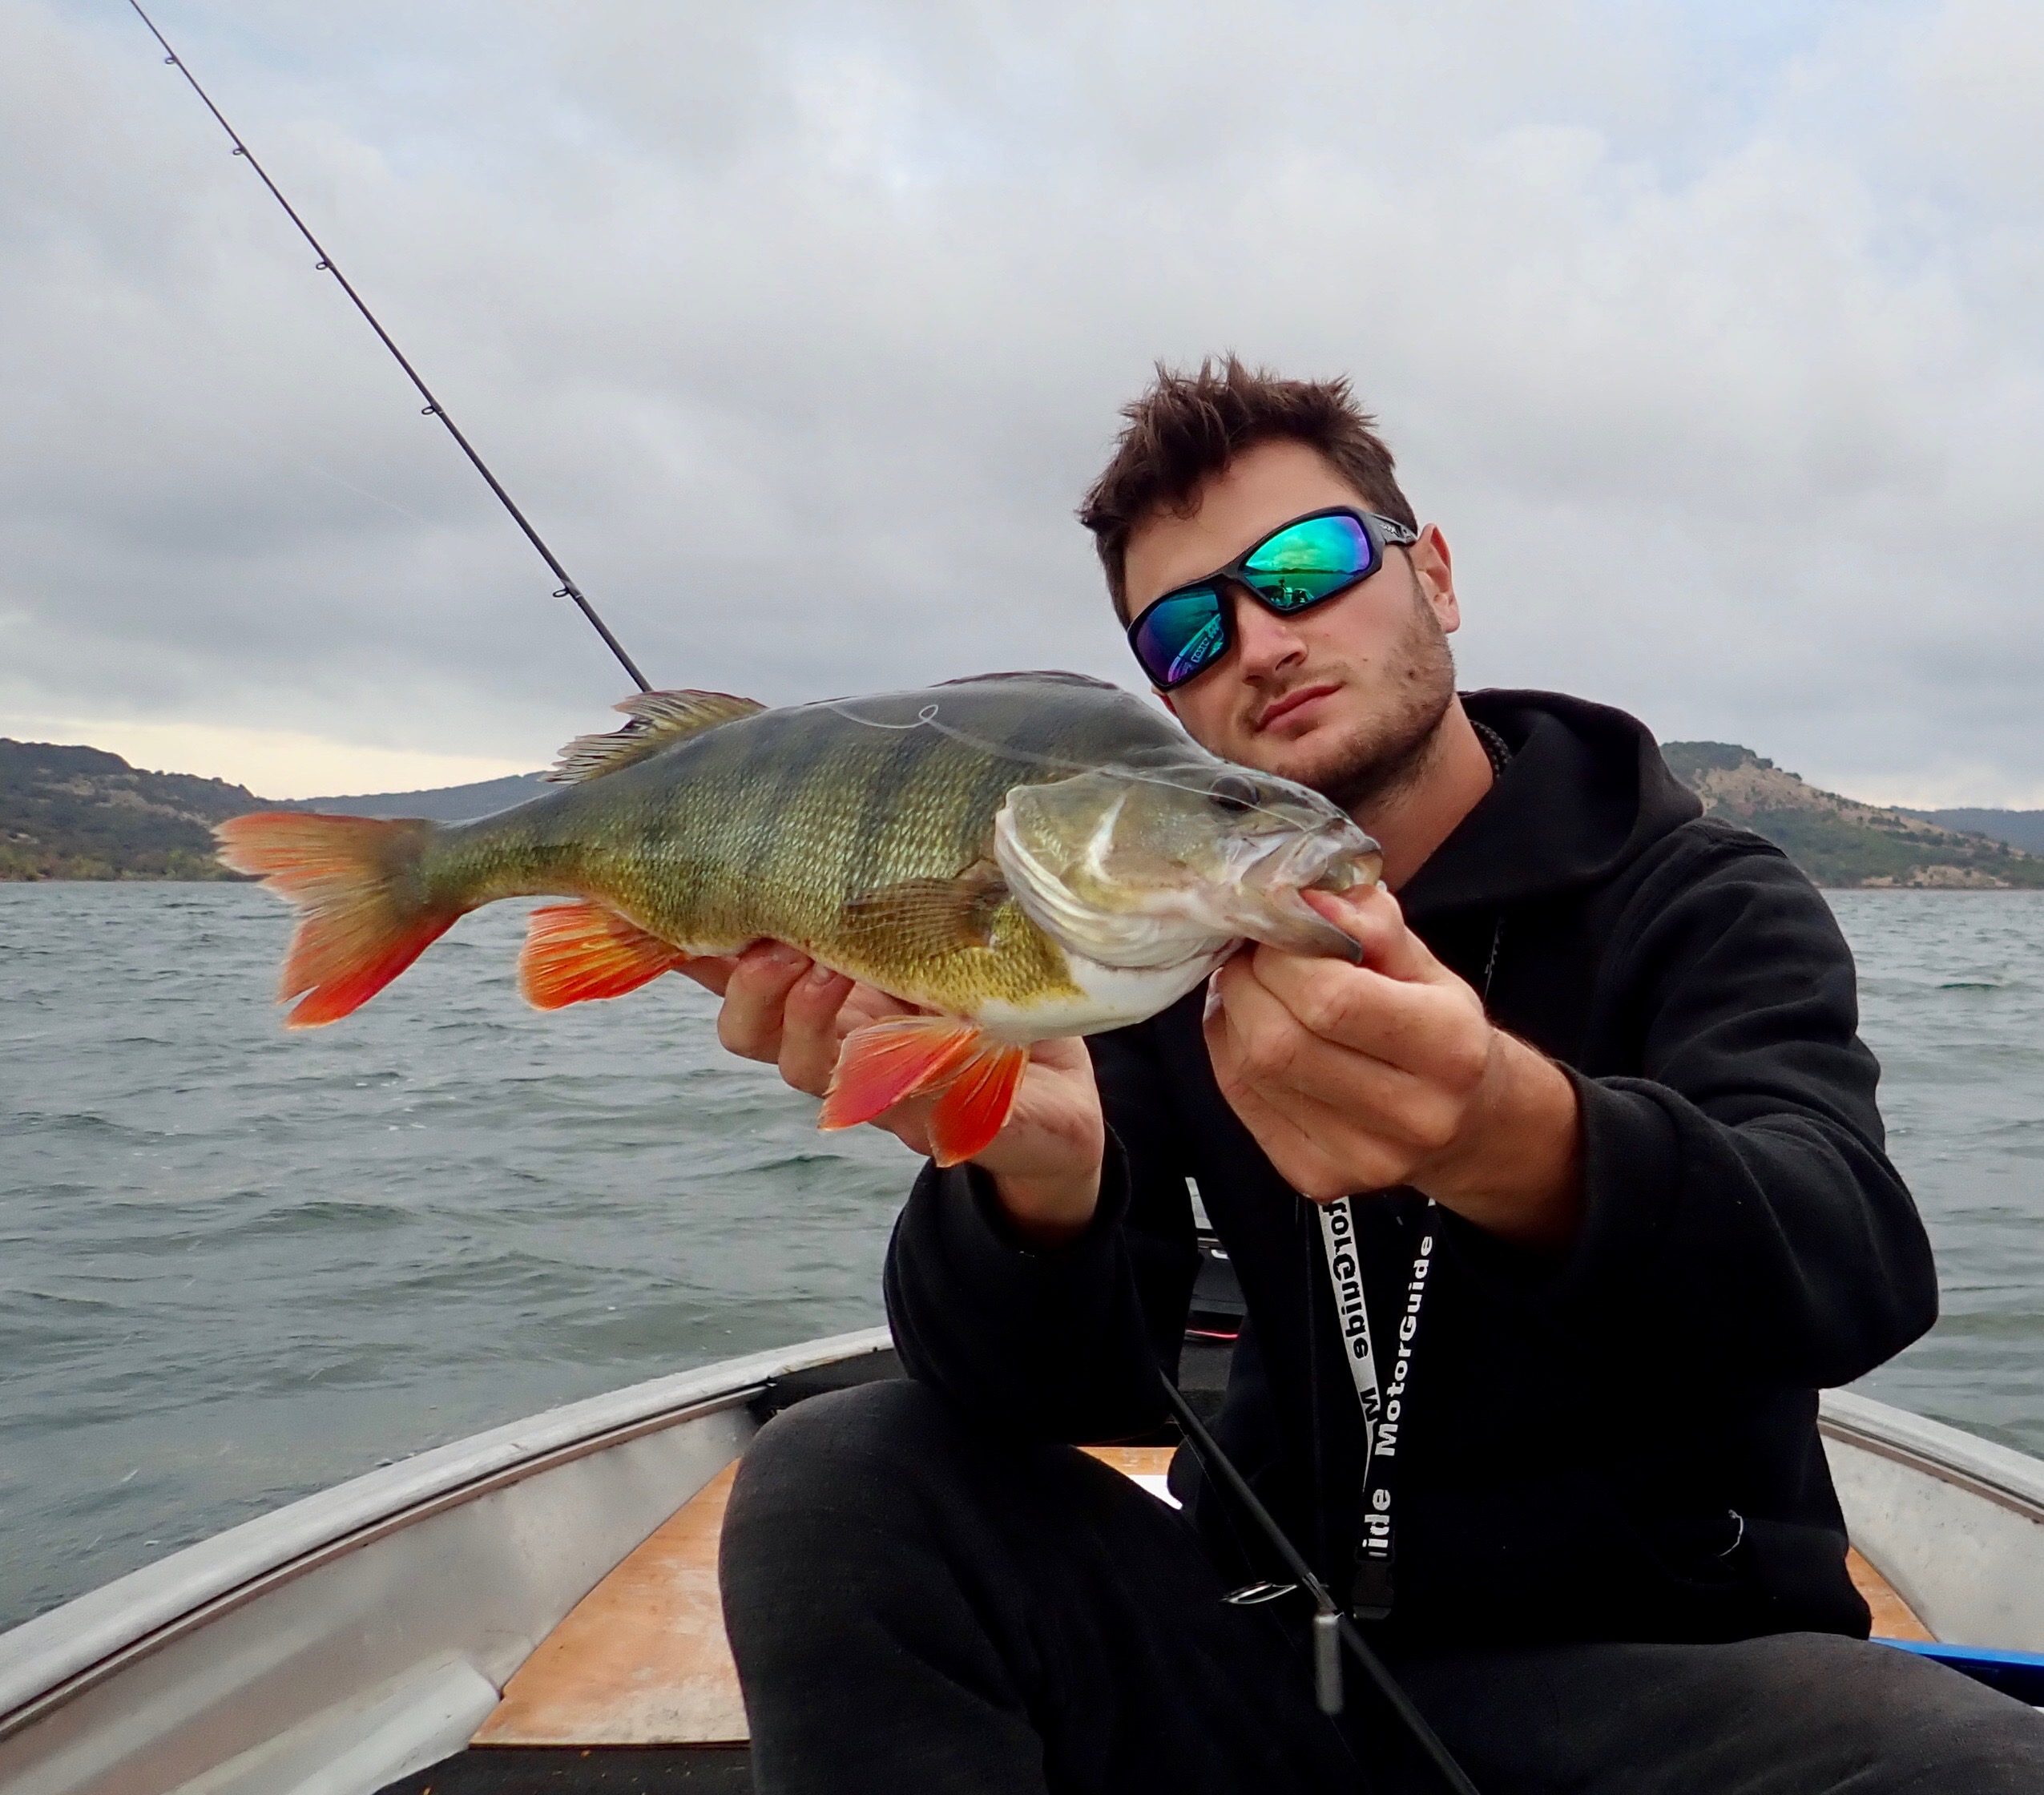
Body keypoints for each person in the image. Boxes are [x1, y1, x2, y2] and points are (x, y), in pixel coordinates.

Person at [699, 358, 2044, 1792]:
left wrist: (1506, 1133)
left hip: (1666, 1684)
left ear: (1437, 576)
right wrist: (1037, 1190)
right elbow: (1044, 1393)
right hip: (1274, 1663)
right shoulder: (1160, 942)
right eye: (1185, 629)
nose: (1261, 640)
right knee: (839, 1481)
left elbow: (1853, 1263)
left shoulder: (1706, 900)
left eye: (1307, 565)